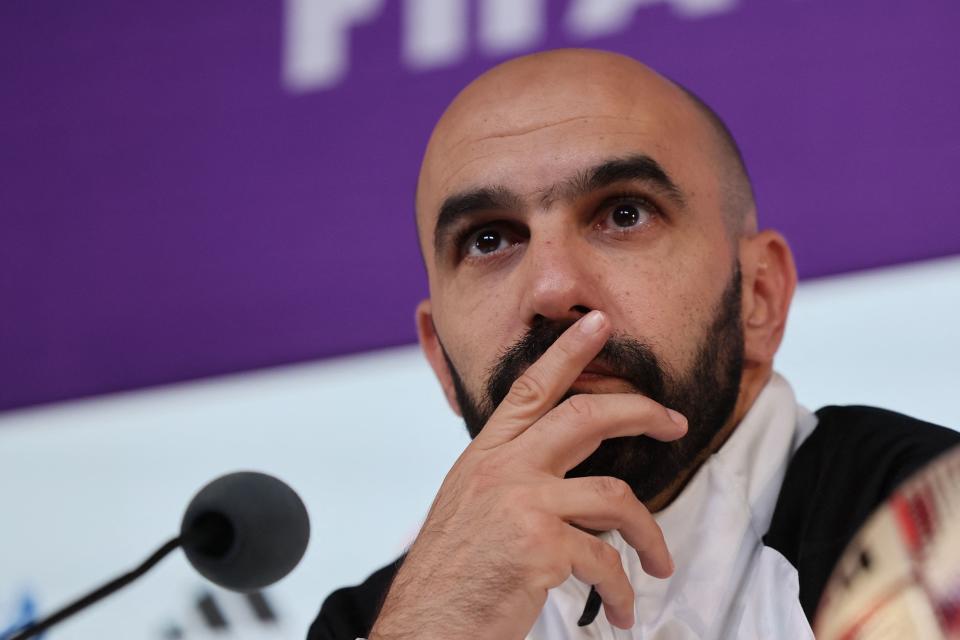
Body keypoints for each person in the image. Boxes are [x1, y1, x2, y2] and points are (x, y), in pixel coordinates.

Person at [308, 49, 959, 639]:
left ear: (758, 296)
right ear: (440, 361)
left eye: (624, 214)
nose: (555, 288)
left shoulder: (937, 530)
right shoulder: (376, 623)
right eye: (489, 240)